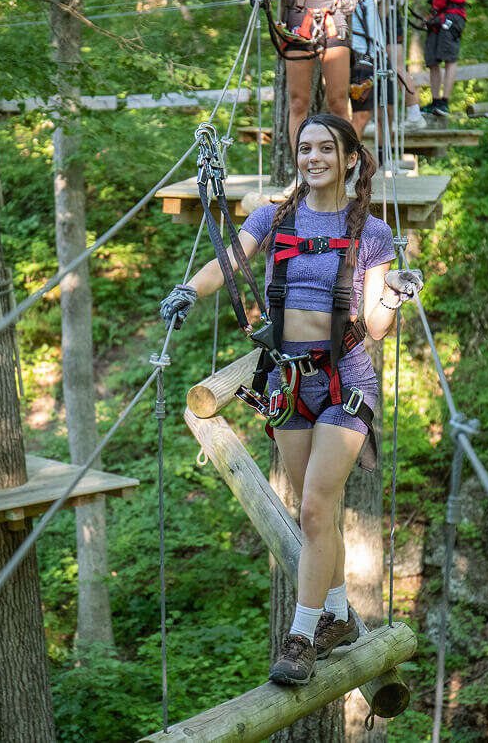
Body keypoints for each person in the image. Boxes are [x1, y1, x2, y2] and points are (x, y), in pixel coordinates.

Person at [159, 113, 424, 685]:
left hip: (345, 383)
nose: (313, 158)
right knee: (315, 511)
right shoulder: (274, 218)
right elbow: (228, 261)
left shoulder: (372, 232)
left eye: (326, 149)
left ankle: (301, 638)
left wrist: (394, 294)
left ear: (349, 159)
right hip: (287, 381)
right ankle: (338, 616)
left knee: (314, 508)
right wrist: (190, 290)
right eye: (305, 149)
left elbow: (375, 329)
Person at [269, 0, 364, 148]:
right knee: (298, 102)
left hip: (333, 16)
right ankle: (300, 164)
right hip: (299, 16)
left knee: (338, 103)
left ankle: (343, 162)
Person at [348, 0, 426, 141]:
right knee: (363, 114)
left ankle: (413, 114)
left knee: (389, 103)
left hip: (379, 43)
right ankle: (413, 113)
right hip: (367, 48)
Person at [410, 0, 478, 117]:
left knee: (449, 58)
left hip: (453, 16)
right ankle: (435, 102)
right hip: (437, 17)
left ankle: (445, 102)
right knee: (432, 60)